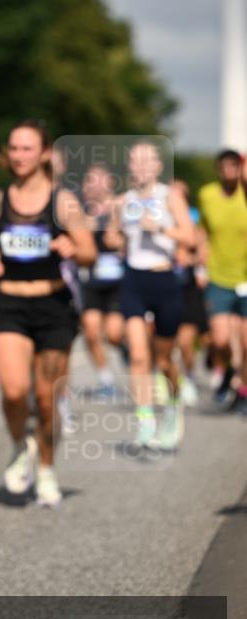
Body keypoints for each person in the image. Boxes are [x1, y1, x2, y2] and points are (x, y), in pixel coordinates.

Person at [0, 120, 95, 508]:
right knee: (14, 393)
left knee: (46, 400)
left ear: (44, 153)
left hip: (52, 307)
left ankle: (46, 466)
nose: (19, 155)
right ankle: (19, 445)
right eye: (13, 148)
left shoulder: (63, 201)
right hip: (8, 304)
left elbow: (90, 252)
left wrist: (73, 248)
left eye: (27, 148)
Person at [105, 141, 195, 450]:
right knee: (139, 355)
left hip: (164, 279)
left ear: (158, 166)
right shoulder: (123, 201)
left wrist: (158, 228)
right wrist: (114, 237)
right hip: (134, 279)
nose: (141, 166)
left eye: (147, 161)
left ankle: (172, 406)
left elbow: (189, 237)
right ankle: (144, 421)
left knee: (164, 359)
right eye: (136, 160)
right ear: (130, 166)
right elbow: (112, 236)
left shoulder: (170, 196)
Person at [198, 149, 247, 416]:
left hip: (245, 276)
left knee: (246, 343)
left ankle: (243, 391)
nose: (229, 172)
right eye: (224, 167)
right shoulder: (207, 195)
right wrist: (200, 261)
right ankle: (228, 371)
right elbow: (202, 231)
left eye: (234, 166)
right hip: (218, 276)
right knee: (220, 340)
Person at [78, 163, 125, 396]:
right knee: (91, 331)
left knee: (114, 334)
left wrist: (120, 241)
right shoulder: (80, 212)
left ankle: (130, 351)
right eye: (90, 179)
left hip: (119, 282)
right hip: (91, 281)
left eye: (100, 179)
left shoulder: (121, 208)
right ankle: (106, 380)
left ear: (111, 182)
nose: (95, 185)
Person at [171, 181, 208, 407]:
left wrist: (192, 260)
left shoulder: (195, 222)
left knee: (185, 342)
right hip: (166, 289)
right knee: (168, 344)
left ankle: (190, 377)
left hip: (188, 289)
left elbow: (202, 252)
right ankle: (173, 382)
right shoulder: (160, 222)